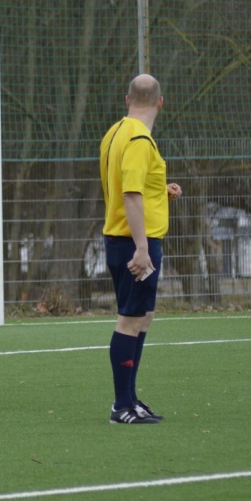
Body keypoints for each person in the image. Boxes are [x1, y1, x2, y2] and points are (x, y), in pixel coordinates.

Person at [99, 74, 182, 425]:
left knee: (142, 317)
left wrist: (161, 191)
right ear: (160, 102)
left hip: (127, 239)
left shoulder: (116, 132)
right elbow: (130, 194)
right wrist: (142, 248)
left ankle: (131, 400)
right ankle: (121, 406)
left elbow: (133, 186)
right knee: (130, 320)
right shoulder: (138, 139)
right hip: (134, 244)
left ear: (127, 99)